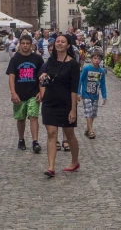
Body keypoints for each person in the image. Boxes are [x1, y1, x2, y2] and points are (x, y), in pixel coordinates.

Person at [38, 33, 81, 177]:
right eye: (57, 41)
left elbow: (74, 88)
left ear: (68, 45)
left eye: (63, 42)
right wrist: (43, 77)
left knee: (69, 134)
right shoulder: (50, 61)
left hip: (66, 103)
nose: (60, 43)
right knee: (51, 133)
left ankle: (75, 161)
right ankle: (51, 167)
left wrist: (73, 110)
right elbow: (43, 75)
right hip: (50, 102)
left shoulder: (73, 64)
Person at [7, 33, 44, 154]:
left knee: (33, 116)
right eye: (23, 43)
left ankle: (35, 141)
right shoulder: (15, 59)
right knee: (21, 118)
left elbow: (41, 77)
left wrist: (41, 91)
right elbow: (11, 77)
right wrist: (13, 93)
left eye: (27, 44)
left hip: (33, 93)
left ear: (32, 45)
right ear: (19, 45)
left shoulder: (37, 59)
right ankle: (21, 139)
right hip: (19, 93)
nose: (25, 46)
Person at [78, 50, 108, 139]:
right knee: (88, 111)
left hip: (95, 95)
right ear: (91, 59)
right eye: (95, 58)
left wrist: (104, 96)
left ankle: (88, 128)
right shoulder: (87, 69)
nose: (97, 60)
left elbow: (102, 84)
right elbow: (80, 80)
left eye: (99, 59)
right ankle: (91, 130)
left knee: (93, 113)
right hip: (86, 94)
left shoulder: (101, 71)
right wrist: (78, 93)